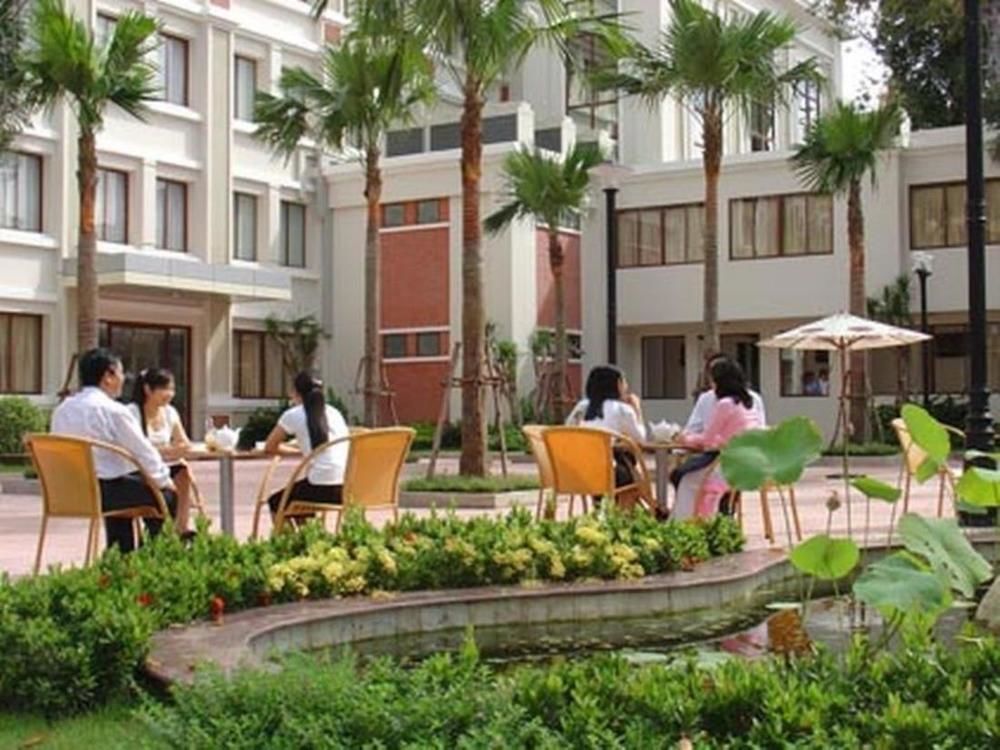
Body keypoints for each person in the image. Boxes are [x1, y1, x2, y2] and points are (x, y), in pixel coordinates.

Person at [50, 348, 178, 552]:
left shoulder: (62, 410)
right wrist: (165, 481)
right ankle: (153, 556)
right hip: (105, 492)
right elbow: (143, 452)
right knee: (165, 495)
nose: (123, 379)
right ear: (108, 376)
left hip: (69, 492)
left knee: (122, 486)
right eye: (120, 373)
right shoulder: (114, 411)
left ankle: (120, 554)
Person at [671, 358, 763, 520]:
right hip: (746, 465)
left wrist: (684, 439)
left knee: (686, 479)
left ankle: (683, 524)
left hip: (727, 467)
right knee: (690, 475)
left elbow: (707, 440)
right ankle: (701, 520)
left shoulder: (725, 404)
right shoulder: (748, 402)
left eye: (712, 379)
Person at [264, 371, 350, 520]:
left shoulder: (293, 414)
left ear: (295, 392)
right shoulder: (335, 413)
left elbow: (270, 447)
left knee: (276, 502)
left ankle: (290, 535)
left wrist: (294, 451)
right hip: (345, 486)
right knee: (300, 502)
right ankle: (308, 533)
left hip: (319, 486)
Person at [565, 365, 649, 509]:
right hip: (607, 474)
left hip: (578, 472)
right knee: (630, 469)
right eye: (624, 382)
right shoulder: (621, 409)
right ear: (617, 385)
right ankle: (648, 507)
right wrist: (637, 409)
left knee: (626, 462)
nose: (627, 386)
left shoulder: (581, 407)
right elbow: (641, 439)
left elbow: (567, 430)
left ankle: (604, 508)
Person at [128, 368, 194, 534]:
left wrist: (163, 451)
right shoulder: (133, 413)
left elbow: (184, 443)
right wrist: (168, 451)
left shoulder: (170, 412)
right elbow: (136, 449)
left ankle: (181, 527)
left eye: (172, 389)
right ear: (148, 389)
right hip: (140, 468)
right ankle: (160, 529)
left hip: (166, 465)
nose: (170, 394)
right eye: (164, 389)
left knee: (183, 472)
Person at [685, 353, 766, 432]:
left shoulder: (729, 403)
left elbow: (760, 427)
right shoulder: (705, 398)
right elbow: (692, 429)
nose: (710, 380)